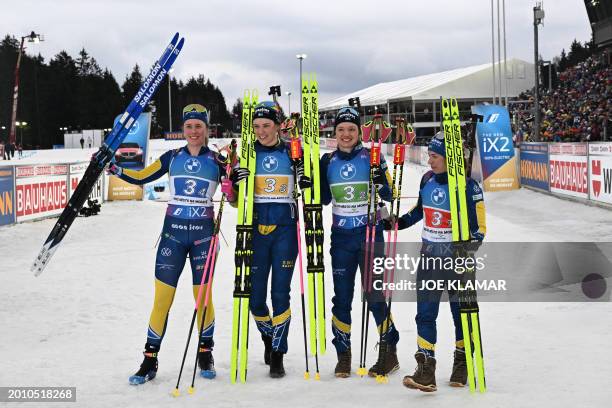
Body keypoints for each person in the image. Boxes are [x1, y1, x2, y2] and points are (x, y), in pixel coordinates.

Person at [108, 104, 232, 385]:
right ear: (183, 129)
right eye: (189, 126)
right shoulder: (171, 157)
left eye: (198, 126)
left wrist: (233, 184)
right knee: (162, 300)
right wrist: (113, 167)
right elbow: (140, 177)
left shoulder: (218, 161)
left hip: (204, 238)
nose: (193, 131)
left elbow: (234, 196)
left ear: (207, 129)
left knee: (203, 299)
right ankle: (149, 360)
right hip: (173, 237)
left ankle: (205, 353)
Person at [387, 132, 486, 392]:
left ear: (448, 158)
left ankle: (462, 362)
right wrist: (398, 222)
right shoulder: (427, 180)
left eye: (434, 156)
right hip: (429, 260)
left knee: (459, 315)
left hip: (457, 262)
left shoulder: (469, 187)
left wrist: (466, 249)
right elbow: (420, 210)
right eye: (429, 155)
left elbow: (480, 229)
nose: (429, 161)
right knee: (425, 314)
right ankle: (426, 368)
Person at [230, 101, 310, 378]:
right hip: (255, 232)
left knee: (280, 295)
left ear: (278, 126)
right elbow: (233, 201)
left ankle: (278, 352)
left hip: (285, 230)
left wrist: (305, 177)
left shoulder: (292, 151)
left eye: (266, 125)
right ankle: (268, 336)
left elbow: (314, 193)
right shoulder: (248, 154)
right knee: (254, 299)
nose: (261, 131)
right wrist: (234, 180)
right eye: (256, 127)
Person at [319, 106, 400, 378]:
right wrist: (309, 179)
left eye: (351, 129)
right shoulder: (327, 161)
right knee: (341, 298)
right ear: (335, 132)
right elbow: (322, 199)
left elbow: (391, 194)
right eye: (341, 129)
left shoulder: (372, 157)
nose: (346, 134)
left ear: (358, 132)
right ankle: (343, 355)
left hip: (369, 234)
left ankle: (389, 349)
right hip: (341, 237)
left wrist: (380, 179)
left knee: (374, 295)